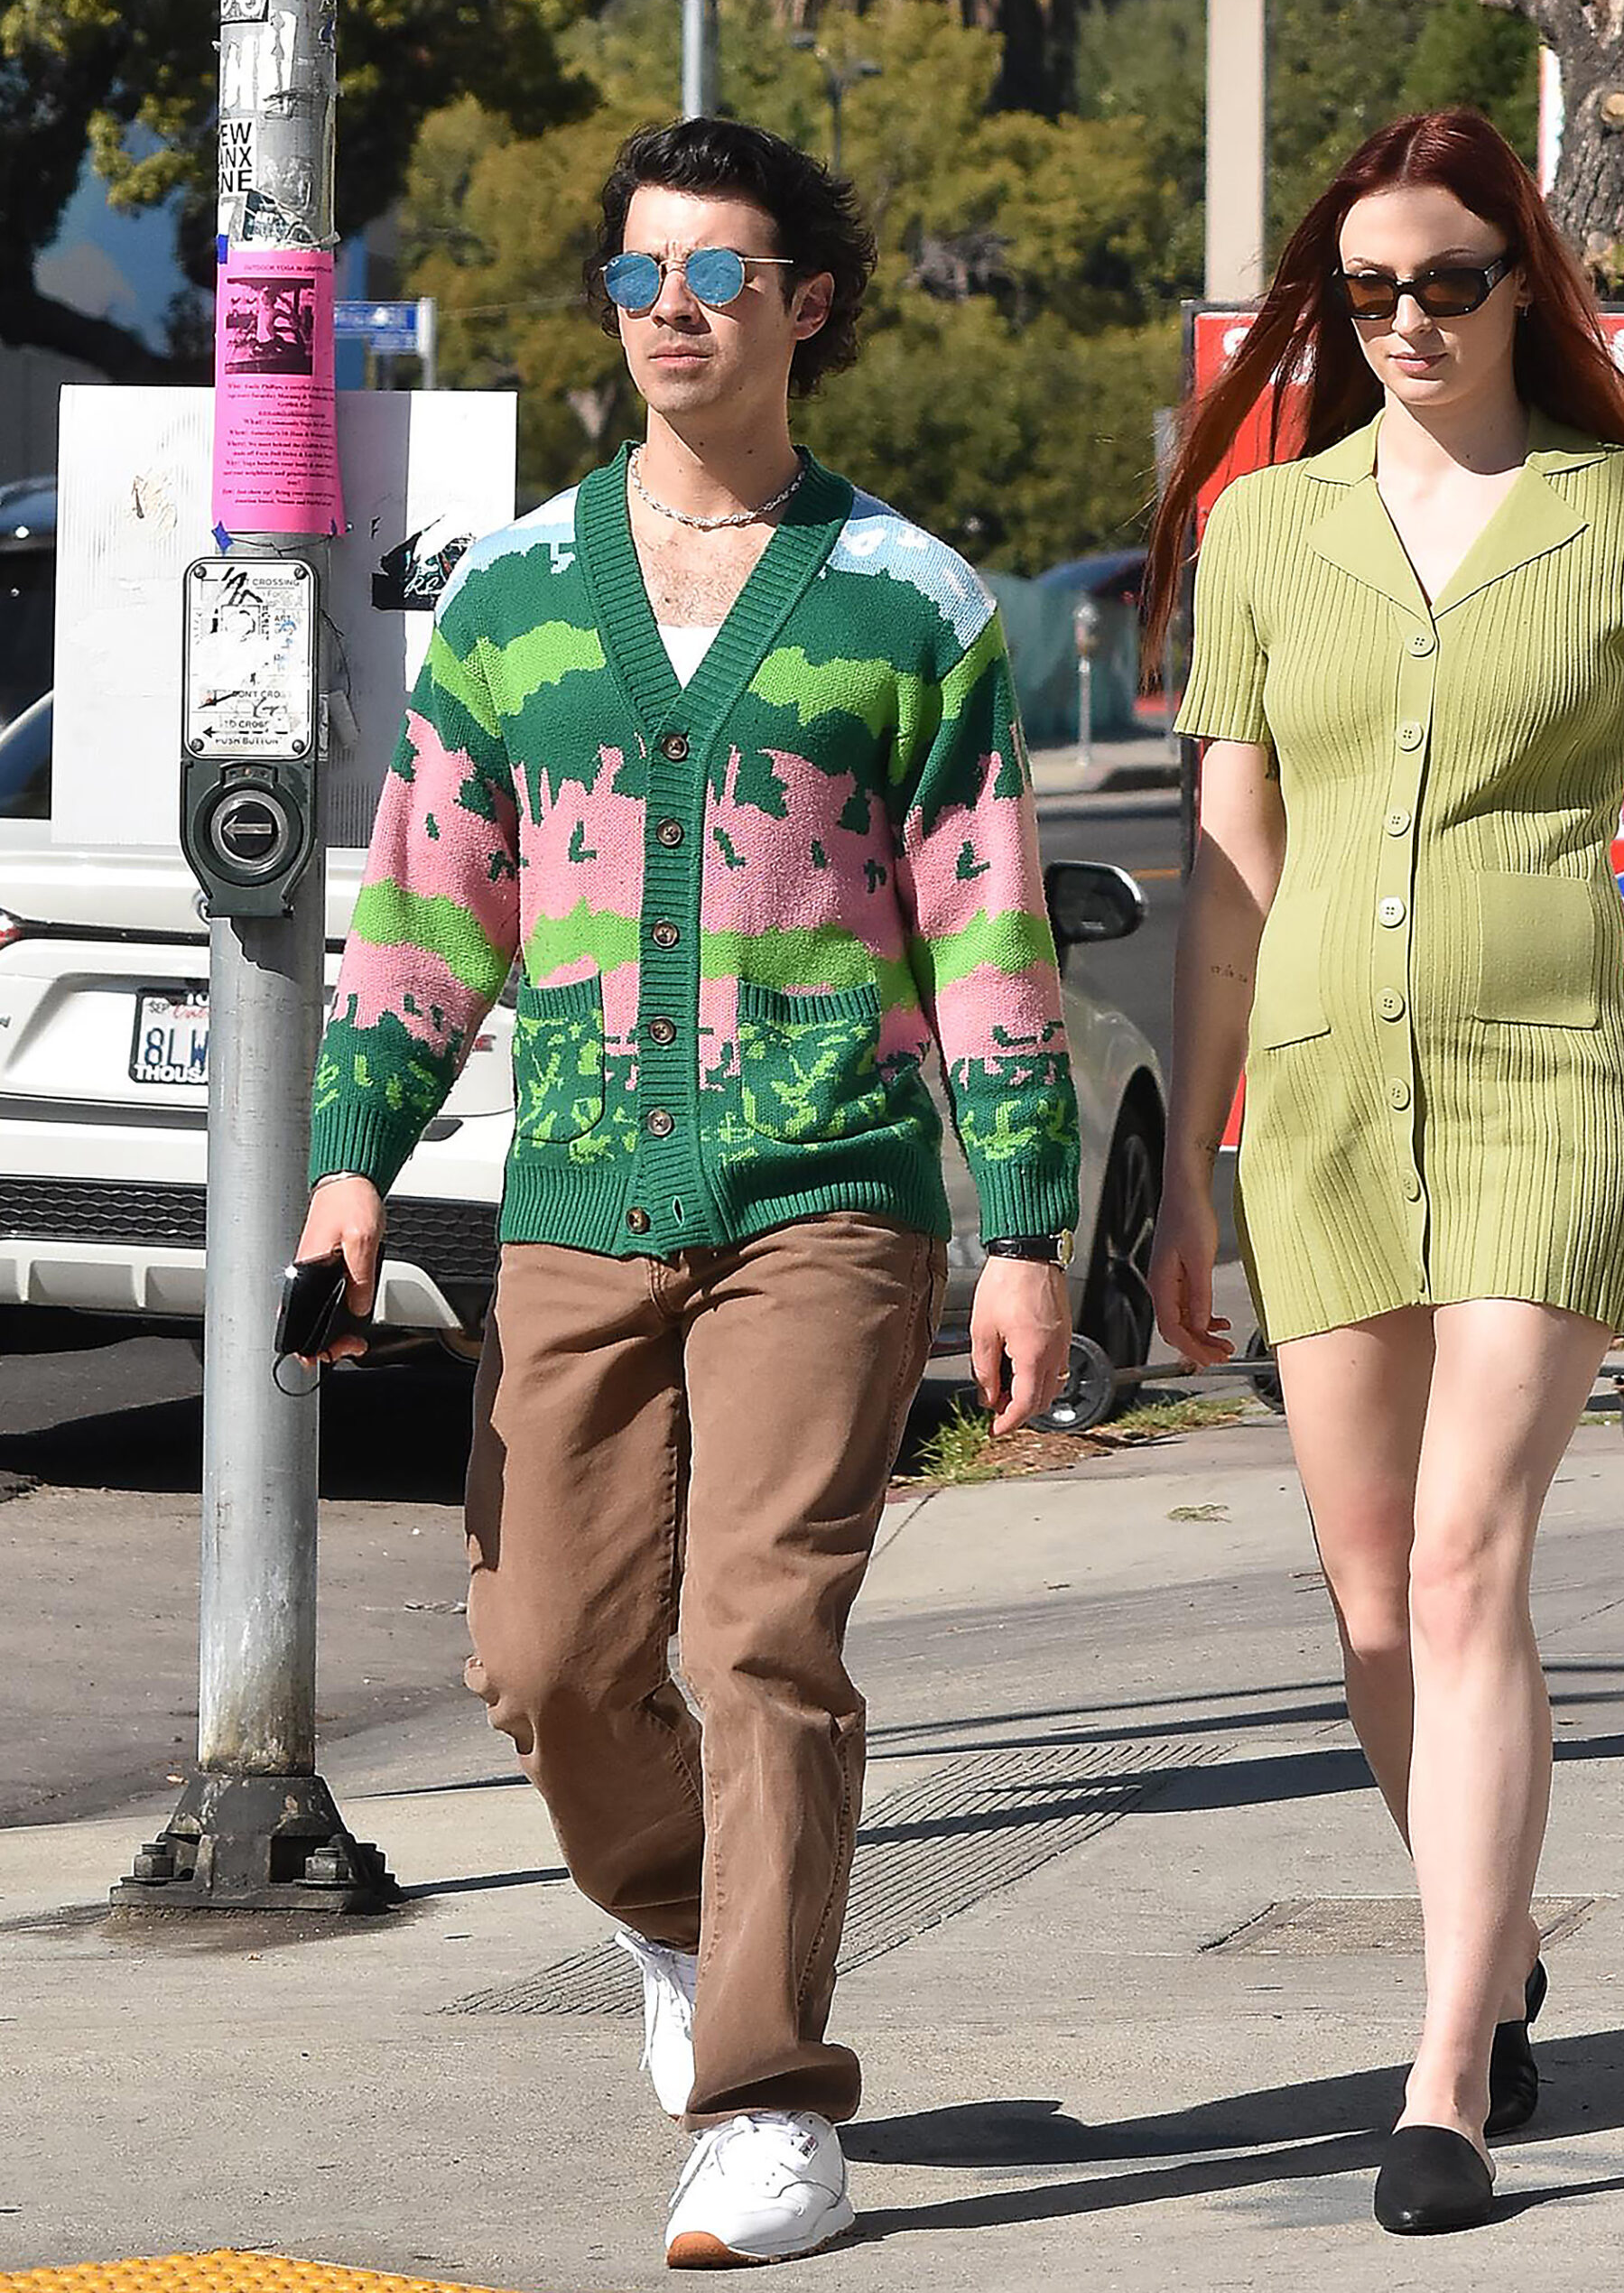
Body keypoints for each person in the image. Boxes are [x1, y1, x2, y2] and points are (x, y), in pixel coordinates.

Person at [295, 117, 1081, 2268]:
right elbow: (425, 907)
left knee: (759, 1635)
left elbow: (990, 927)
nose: (670, 314)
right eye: (640, 278)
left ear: (803, 304)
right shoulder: (518, 600)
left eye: (716, 277)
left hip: (828, 1186)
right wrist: (345, 1172)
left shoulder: (913, 604)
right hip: (572, 1191)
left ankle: (767, 2101)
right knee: (541, 1655)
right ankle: (679, 1915)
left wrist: (1023, 1225)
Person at [1142, 107, 1624, 2236]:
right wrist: (1185, 1168)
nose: (1411, 321)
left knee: (1462, 1566)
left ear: (1521, 275)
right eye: (1368, 293)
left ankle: (1442, 2063)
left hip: (1552, 1081)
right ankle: (1494, 1935)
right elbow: (1232, 863)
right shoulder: (1270, 533)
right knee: (1366, 1600)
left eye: (1446, 279)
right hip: (1325, 1109)